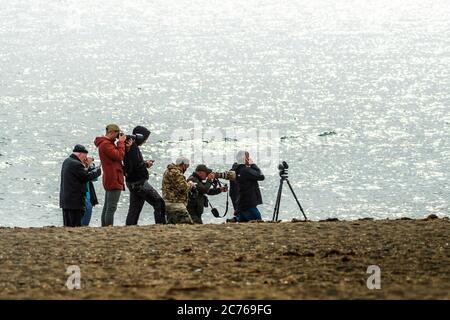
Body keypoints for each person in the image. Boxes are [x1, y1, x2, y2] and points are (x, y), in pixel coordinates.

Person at [124, 126, 166, 225]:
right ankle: (161, 225)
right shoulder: (133, 147)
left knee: (135, 208)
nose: (145, 141)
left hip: (131, 181)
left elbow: (132, 163)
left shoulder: (127, 147)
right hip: (139, 182)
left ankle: (130, 226)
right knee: (159, 203)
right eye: (145, 139)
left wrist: (144, 163)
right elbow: (137, 165)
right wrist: (146, 164)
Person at [94, 124, 129, 226]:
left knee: (107, 206)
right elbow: (119, 156)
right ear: (112, 132)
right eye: (117, 134)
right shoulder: (106, 144)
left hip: (110, 176)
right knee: (111, 207)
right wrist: (121, 143)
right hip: (113, 177)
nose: (118, 137)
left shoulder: (106, 143)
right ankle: (108, 228)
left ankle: (105, 227)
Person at [60, 145, 102, 227]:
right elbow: (86, 177)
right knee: (75, 225)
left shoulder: (67, 161)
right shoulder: (76, 164)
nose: (85, 159)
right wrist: (98, 170)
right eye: (85, 157)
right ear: (80, 154)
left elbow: (81, 175)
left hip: (66, 200)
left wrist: (88, 166)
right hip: (75, 202)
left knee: (67, 225)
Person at [230, 151, 265, 222]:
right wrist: (253, 165)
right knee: (258, 223)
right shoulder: (246, 170)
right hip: (248, 205)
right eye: (248, 157)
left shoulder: (233, 171)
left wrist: (236, 208)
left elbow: (232, 191)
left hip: (239, 206)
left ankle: (235, 219)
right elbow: (261, 176)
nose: (249, 159)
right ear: (245, 159)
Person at [162, 156, 196, 224]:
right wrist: (190, 184)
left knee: (172, 226)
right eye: (187, 166)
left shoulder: (168, 171)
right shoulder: (176, 173)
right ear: (183, 165)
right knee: (188, 225)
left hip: (168, 202)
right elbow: (184, 188)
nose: (187, 168)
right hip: (176, 205)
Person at [81, 157, 99, 226]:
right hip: (84, 194)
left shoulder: (86, 167)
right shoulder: (78, 166)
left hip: (88, 194)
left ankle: (85, 225)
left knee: (88, 208)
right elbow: (84, 176)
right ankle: (83, 225)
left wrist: (91, 166)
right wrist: (88, 165)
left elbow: (94, 178)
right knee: (87, 208)